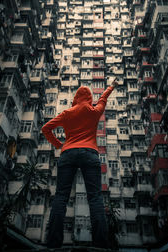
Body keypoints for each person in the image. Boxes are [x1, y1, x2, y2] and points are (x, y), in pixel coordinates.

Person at [42, 78, 118, 249]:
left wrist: (59, 145)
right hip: (90, 153)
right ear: (89, 97)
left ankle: (53, 244)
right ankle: (101, 245)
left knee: (61, 196)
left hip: (68, 153)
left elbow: (45, 129)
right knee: (95, 197)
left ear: (76, 97)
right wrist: (112, 86)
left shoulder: (67, 113)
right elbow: (103, 99)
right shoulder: (94, 110)